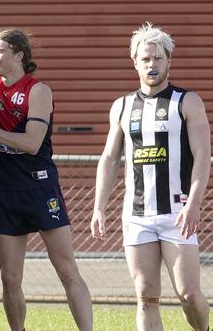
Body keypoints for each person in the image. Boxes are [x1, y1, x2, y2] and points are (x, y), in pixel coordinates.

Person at [0, 28, 93, 331]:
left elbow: (33, 142)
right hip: (7, 192)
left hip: (40, 187)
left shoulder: (38, 90)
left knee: (66, 270)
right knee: (9, 277)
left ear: (19, 55)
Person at [90, 23, 210, 331]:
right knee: (145, 296)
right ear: (135, 62)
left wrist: (194, 203)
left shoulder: (188, 102)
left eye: (158, 58)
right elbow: (108, 159)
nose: (152, 64)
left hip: (177, 214)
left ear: (168, 60)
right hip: (137, 215)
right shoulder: (122, 106)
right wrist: (99, 208)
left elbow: (201, 158)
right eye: (145, 59)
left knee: (188, 293)